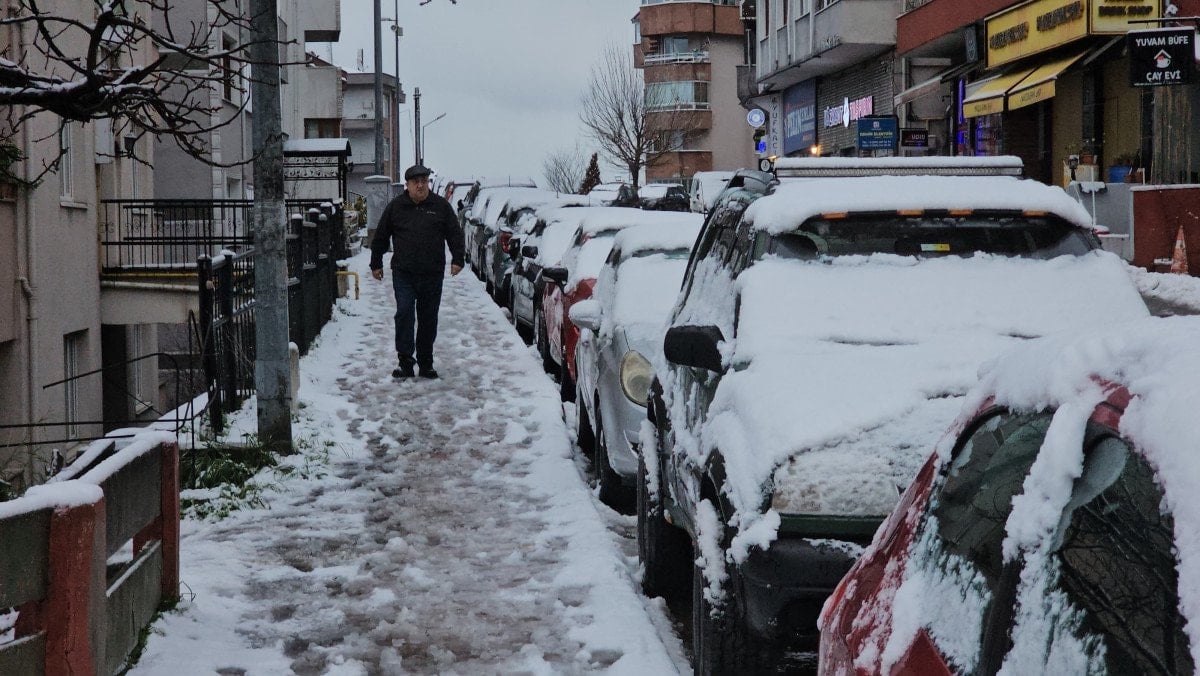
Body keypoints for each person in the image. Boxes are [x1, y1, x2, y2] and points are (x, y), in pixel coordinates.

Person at [370, 164, 465, 379]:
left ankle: (426, 362)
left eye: (424, 181)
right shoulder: (396, 207)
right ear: (408, 185)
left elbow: (455, 234)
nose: (421, 185)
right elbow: (382, 236)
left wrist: (458, 259)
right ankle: (405, 361)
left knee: (428, 317)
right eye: (416, 182)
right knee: (404, 313)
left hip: (432, 272)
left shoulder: (440, 207)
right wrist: (376, 263)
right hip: (404, 272)